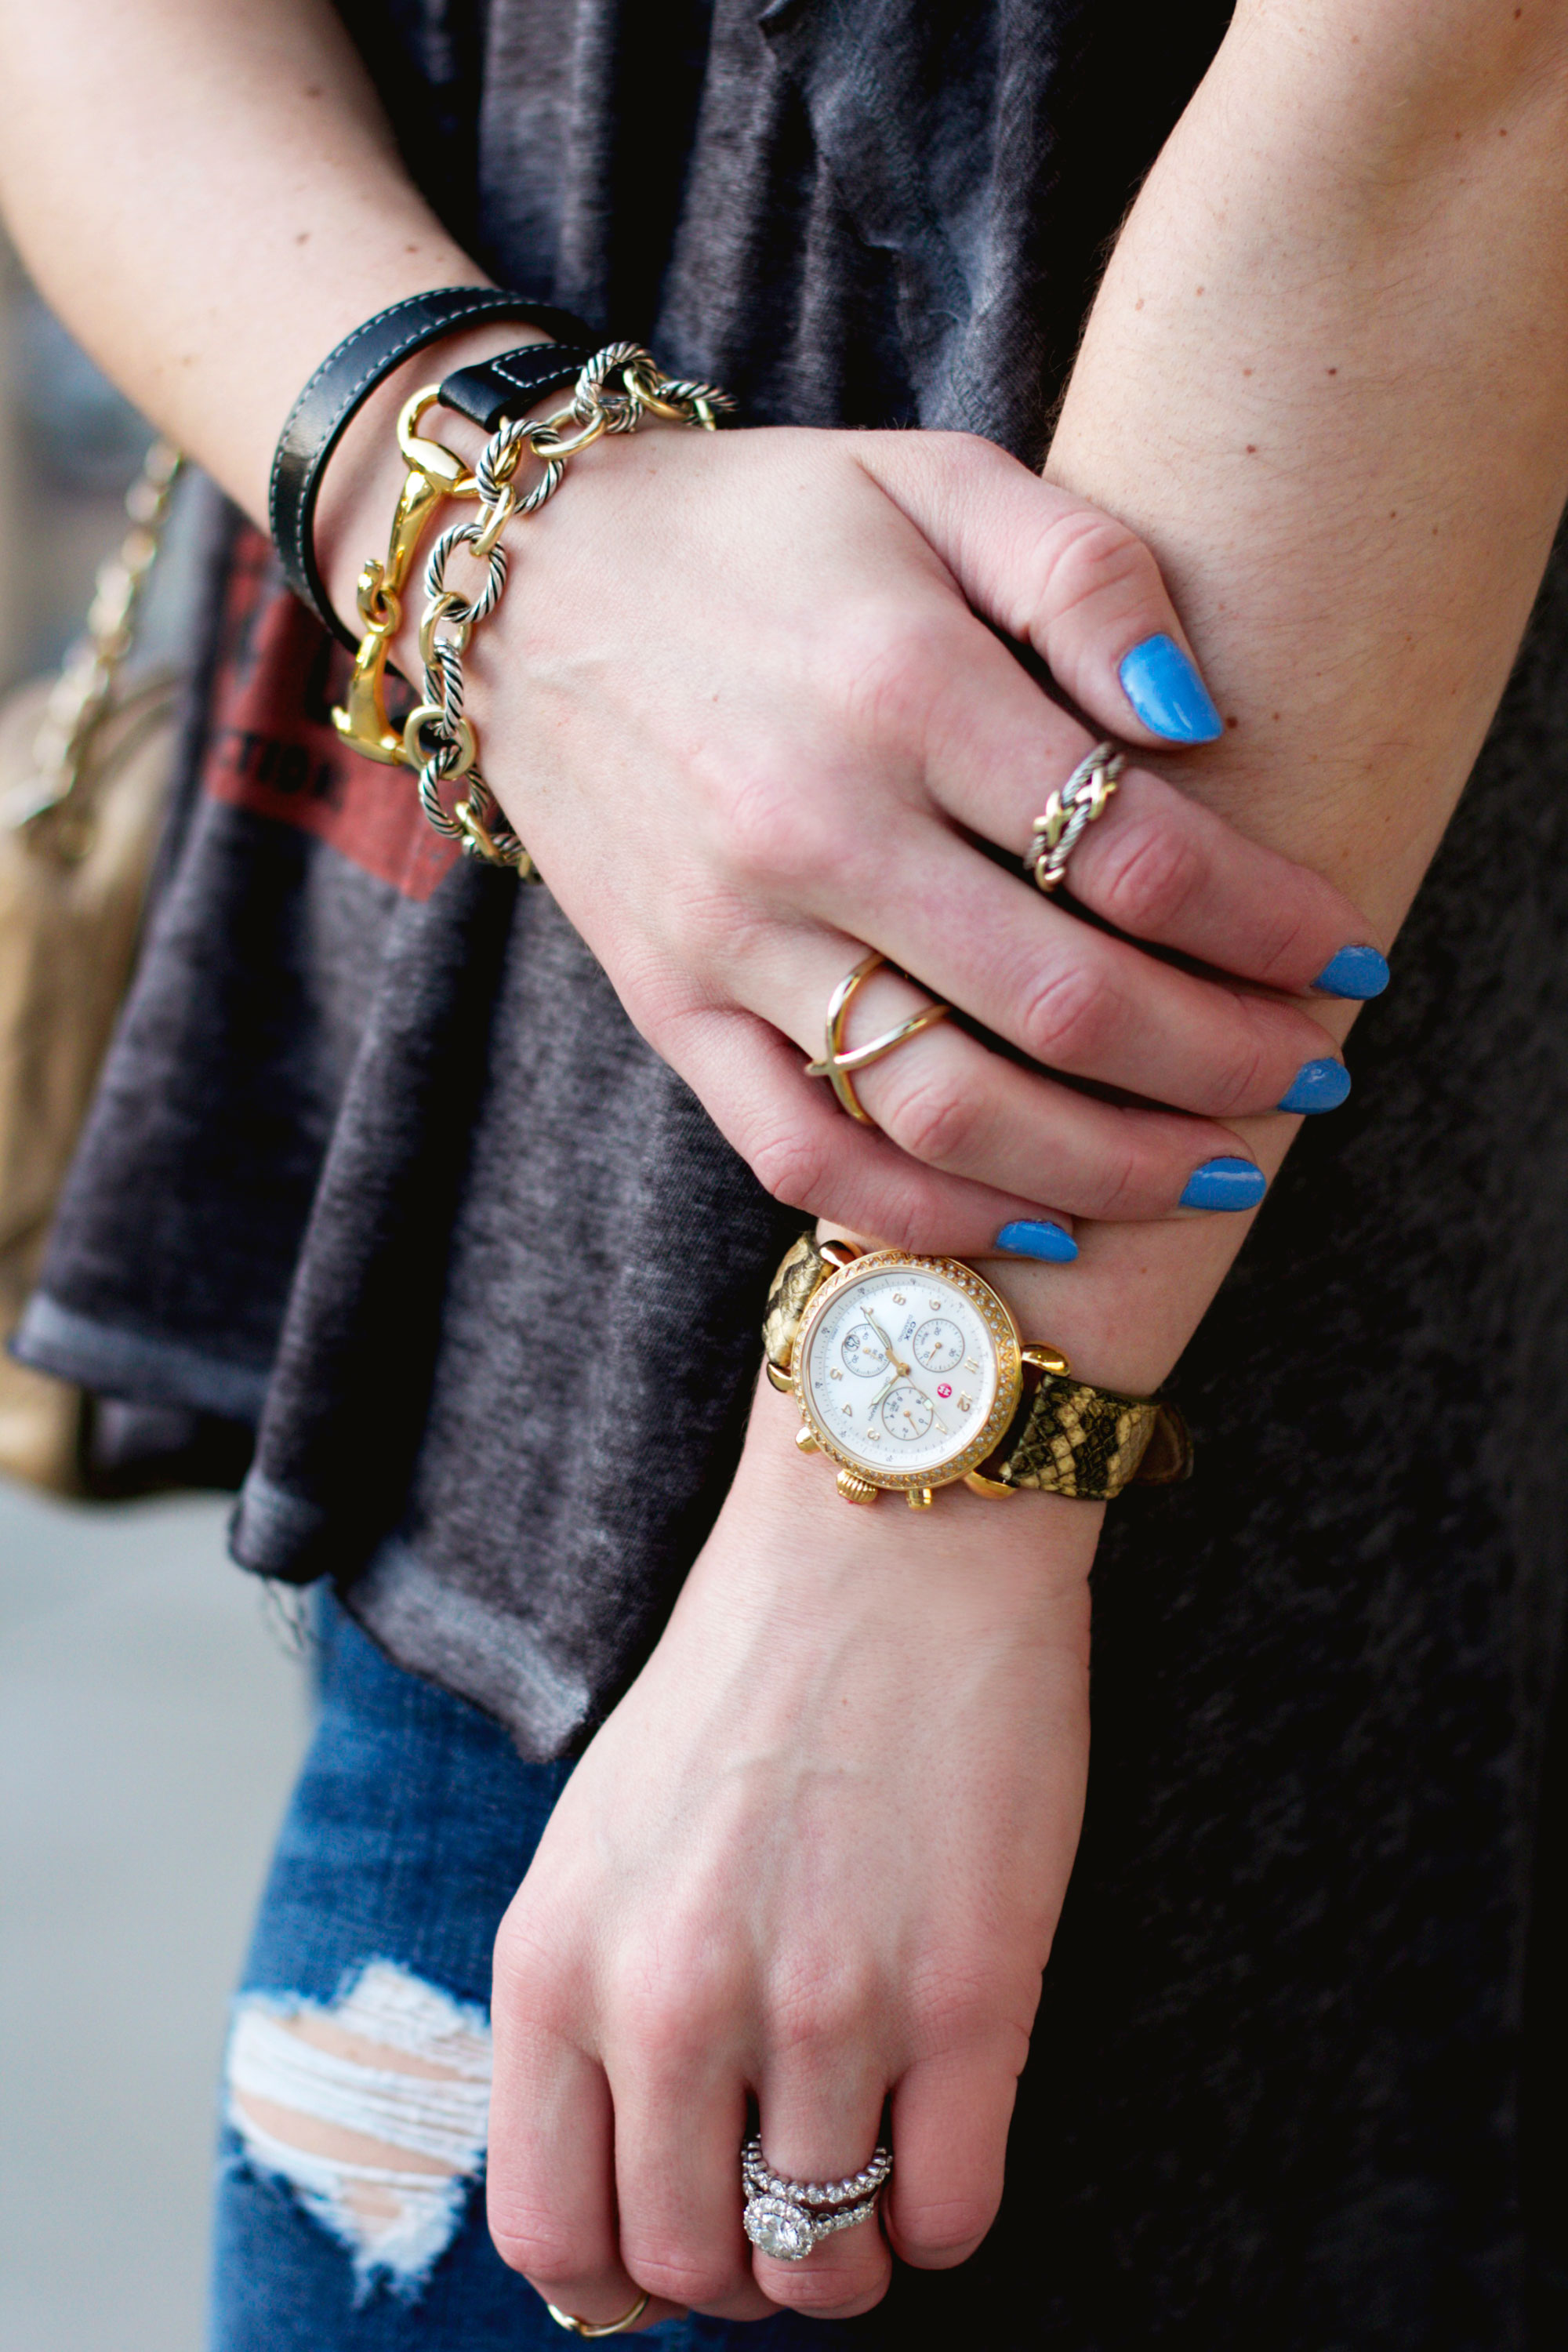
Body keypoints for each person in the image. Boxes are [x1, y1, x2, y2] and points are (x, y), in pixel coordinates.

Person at [2, 1, 1567, 2343]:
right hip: (530, 1180)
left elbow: (1465, 86)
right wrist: (492, 521)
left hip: (1063, 1463)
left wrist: (911, 1512)